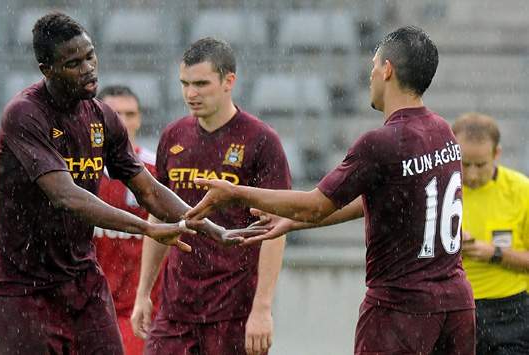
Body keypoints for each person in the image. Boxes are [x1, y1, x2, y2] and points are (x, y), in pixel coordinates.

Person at [0, 13, 264, 355]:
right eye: (73, 63)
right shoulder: (25, 115)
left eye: (90, 56)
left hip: (82, 279)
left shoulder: (102, 116)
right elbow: (66, 196)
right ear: (47, 69)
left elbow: (147, 189)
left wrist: (210, 228)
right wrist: (147, 229)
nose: (88, 68)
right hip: (23, 287)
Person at [187, 26, 476, 354]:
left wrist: (235, 192)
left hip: (401, 308)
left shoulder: (380, 143)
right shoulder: (442, 132)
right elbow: (384, 198)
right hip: (455, 305)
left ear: (387, 70)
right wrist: (294, 222)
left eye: (373, 65)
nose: (370, 75)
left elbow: (315, 204)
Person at [130, 37, 291, 355]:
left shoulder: (261, 141)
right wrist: (144, 291)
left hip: (233, 310)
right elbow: (159, 215)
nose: (191, 94)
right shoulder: (173, 136)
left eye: (201, 83)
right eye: (185, 84)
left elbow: (275, 229)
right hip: (175, 308)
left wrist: (262, 309)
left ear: (229, 80)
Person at [93, 85, 165, 354]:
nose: (122, 121)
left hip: (140, 311)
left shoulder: (157, 171)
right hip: (89, 309)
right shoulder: (76, 175)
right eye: (115, 113)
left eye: (130, 113)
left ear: (139, 119)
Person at [452, 112, 529, 354]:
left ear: (497, 154)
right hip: (452, 308)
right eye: (465, 164)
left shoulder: (521, 190)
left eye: (480, 165)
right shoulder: (438, 190)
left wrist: (495, 253)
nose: (472, 174)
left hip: (511, 312)